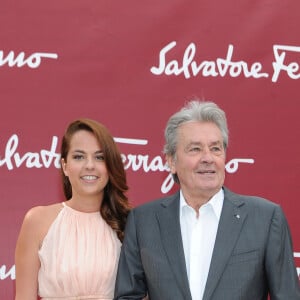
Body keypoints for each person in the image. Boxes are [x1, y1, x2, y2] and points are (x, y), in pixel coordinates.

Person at [114, 100, 300, 300]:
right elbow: (127, 296)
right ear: (171, 161)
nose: (208, 158)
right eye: (195, 149)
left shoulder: (265, 218)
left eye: (216, 148)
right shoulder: (144, 221)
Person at [15, 118, 131, 300]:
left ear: (110, 166)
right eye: (79, 156)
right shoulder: (37, 221)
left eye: (99, 157)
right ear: (65, 166)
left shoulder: (130, 223)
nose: (89, 165)